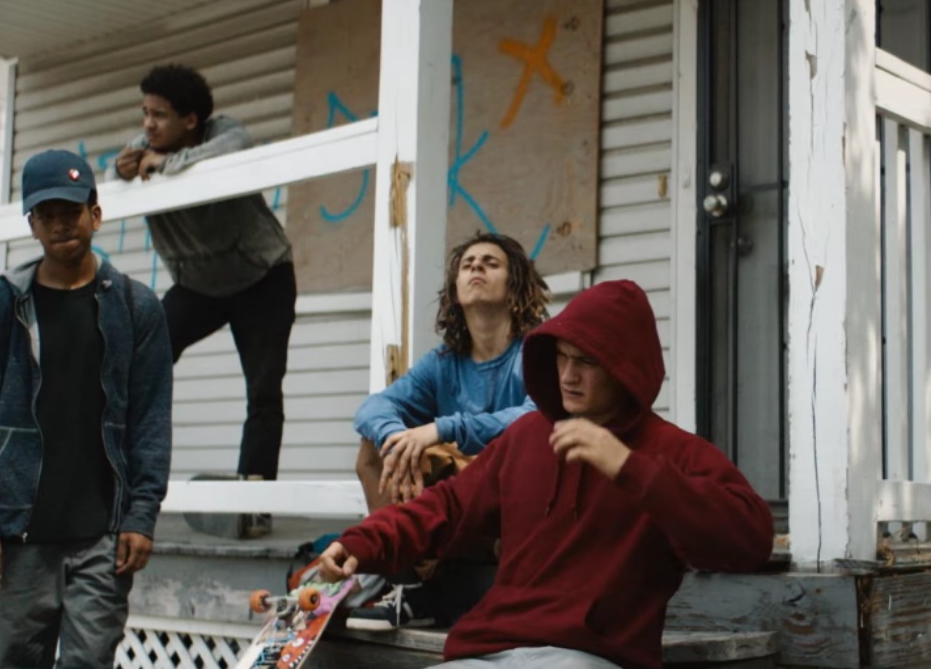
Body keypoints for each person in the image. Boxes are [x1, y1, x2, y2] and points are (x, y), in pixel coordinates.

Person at [320, 280, 775, 669]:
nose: (568, 376)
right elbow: (447, 508)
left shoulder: (672, 453)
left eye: (587, 362)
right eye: (561, 357)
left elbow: (751, 540)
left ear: (626, 368)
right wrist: (361, 545)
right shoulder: (526, 437)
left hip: (588, 656)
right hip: (489, 651)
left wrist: (629, 468)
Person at [0, 149, 173, 666]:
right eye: (46, 214)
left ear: (95, 215)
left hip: (103, 537)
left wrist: (141, 515)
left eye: (71, 212)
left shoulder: (135, 307)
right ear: (32, 224)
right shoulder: (2, 306)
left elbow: (151, 419)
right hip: (19, 536)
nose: (60, 224)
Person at [109, 63, 294, 538]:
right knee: (141, 363)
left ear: (190, 120)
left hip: (262, 277)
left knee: (264, 391)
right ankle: (119, 485)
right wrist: (120, 168)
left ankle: (255, 505)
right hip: (198, 286)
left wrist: (164, 165)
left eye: (159, 115)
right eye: (145, 113)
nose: (148, 124)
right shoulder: (142, 147)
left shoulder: (220, 132)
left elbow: (237, 144)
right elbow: (113, 174)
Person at [346, 232, 549, 631]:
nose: (476, 267)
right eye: (467, 264)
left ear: (515, 288)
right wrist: (397, 438)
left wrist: (442, 429)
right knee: (375, 448)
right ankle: (406, 580)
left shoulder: (535, 351)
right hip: (458, 502)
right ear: (456, 292)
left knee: (475, 451)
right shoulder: (443, 363)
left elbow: (537, 417)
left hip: (514, 494)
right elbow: (372, 408)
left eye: (490, 263)